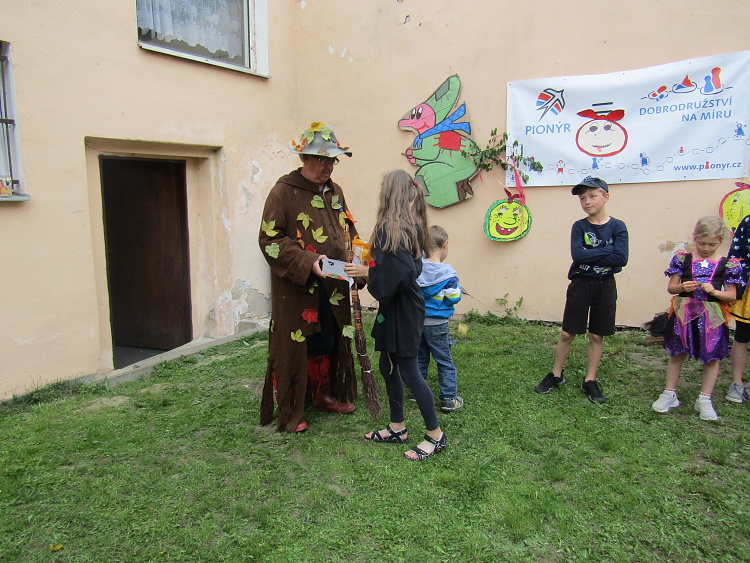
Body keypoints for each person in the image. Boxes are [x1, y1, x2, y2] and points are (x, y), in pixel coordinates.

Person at [258, 122, 359, 433]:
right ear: (304, 158)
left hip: (333, 284)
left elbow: (347, 230)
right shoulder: (283, 192)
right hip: (297, 286)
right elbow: (269, 239)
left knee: (328, 337)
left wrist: (358, 258)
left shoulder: (335, 191)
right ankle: (290, 407)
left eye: (332, 160)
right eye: (321, 160)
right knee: (295, 342)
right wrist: (308, 261)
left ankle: (322, 395)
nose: (328, 167)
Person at [344, 169, 447, 461]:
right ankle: (397, 427)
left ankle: (436, 435)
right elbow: (401, 269)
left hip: (403, 308)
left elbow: (400, 274)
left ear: (388, 192)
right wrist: (372, 269)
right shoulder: (404, 225)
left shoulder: (393, 228)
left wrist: (367, 272)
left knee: (409, 371)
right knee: (388, 367)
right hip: (397, 306)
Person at [534, 177, 629, 403]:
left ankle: (590, 380)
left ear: (606, 197)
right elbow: (577, 255)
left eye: (592, 196)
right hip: (581, 283)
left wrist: (591, 253)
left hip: (605, 285)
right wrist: (608, 249)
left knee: (596, 334)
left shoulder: (618, 227)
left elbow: (622, 258)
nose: (587, 201)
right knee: (568, 332)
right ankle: (556, 375)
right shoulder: (579, 226)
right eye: (582, 198)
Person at [651, 216, 742, 421]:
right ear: (695, 238)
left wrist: (716, 292)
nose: (706, 248)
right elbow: (671, 288)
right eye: (702, 243)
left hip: (712, 318)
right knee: (677, 352)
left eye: (712, 244)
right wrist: (682, 287)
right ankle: (669, 393)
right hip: (684, 315)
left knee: (712, 356)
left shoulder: (727, 265)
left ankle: (704, 398)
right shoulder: (683, 259)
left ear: (720, 241)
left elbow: (732, 294)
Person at [415, 225, 464, 412]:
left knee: (420, 357)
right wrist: (458, 291)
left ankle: (416, 393)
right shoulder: (448, 274)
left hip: (417, 322)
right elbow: (453, 298)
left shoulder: (416, 268)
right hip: (438, 324)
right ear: (445, 244)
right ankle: (449, 398)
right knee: (444, 361)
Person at [726, 214, 750, 403]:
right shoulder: (748, 222)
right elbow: (735, 255)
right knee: (742, 336)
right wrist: (732, 286)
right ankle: (736, 382)